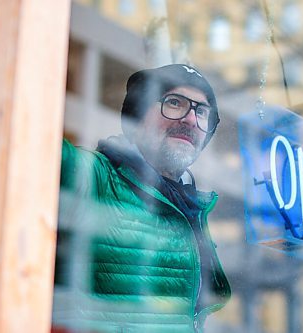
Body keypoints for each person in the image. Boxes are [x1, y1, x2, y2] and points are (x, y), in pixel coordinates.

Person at [55, 64, 231, 333]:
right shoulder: (92, 175)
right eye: (174, 102)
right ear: (137, 118)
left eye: (202, 111)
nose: (191, 120)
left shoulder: (193, 209)